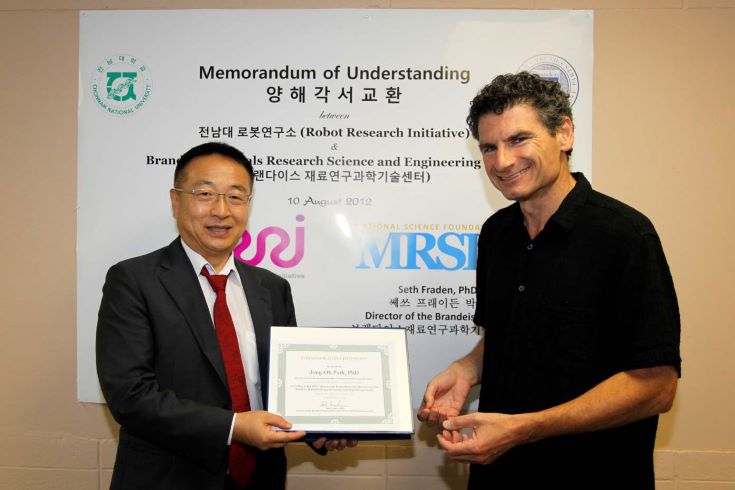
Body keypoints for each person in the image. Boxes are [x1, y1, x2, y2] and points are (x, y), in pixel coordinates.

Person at [417, 72, 681, 489]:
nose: (502, 161)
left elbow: (657, 387)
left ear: (564, 133)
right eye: (489, 147)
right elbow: (511, 334)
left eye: (518, 139)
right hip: (499, 473)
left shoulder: (626, 236)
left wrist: (524, 428)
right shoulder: (496, 234)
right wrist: (466, 368)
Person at [97, 142, 352, 490]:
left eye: (235, 197)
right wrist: (234, 427)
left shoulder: (272, 288)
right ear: (175, 201)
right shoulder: (133, 280)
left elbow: (287, 387)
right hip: (169, 479)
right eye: (205, 193)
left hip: (260, 480)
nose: (221, 210)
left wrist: (317, 429)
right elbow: (130, 396)